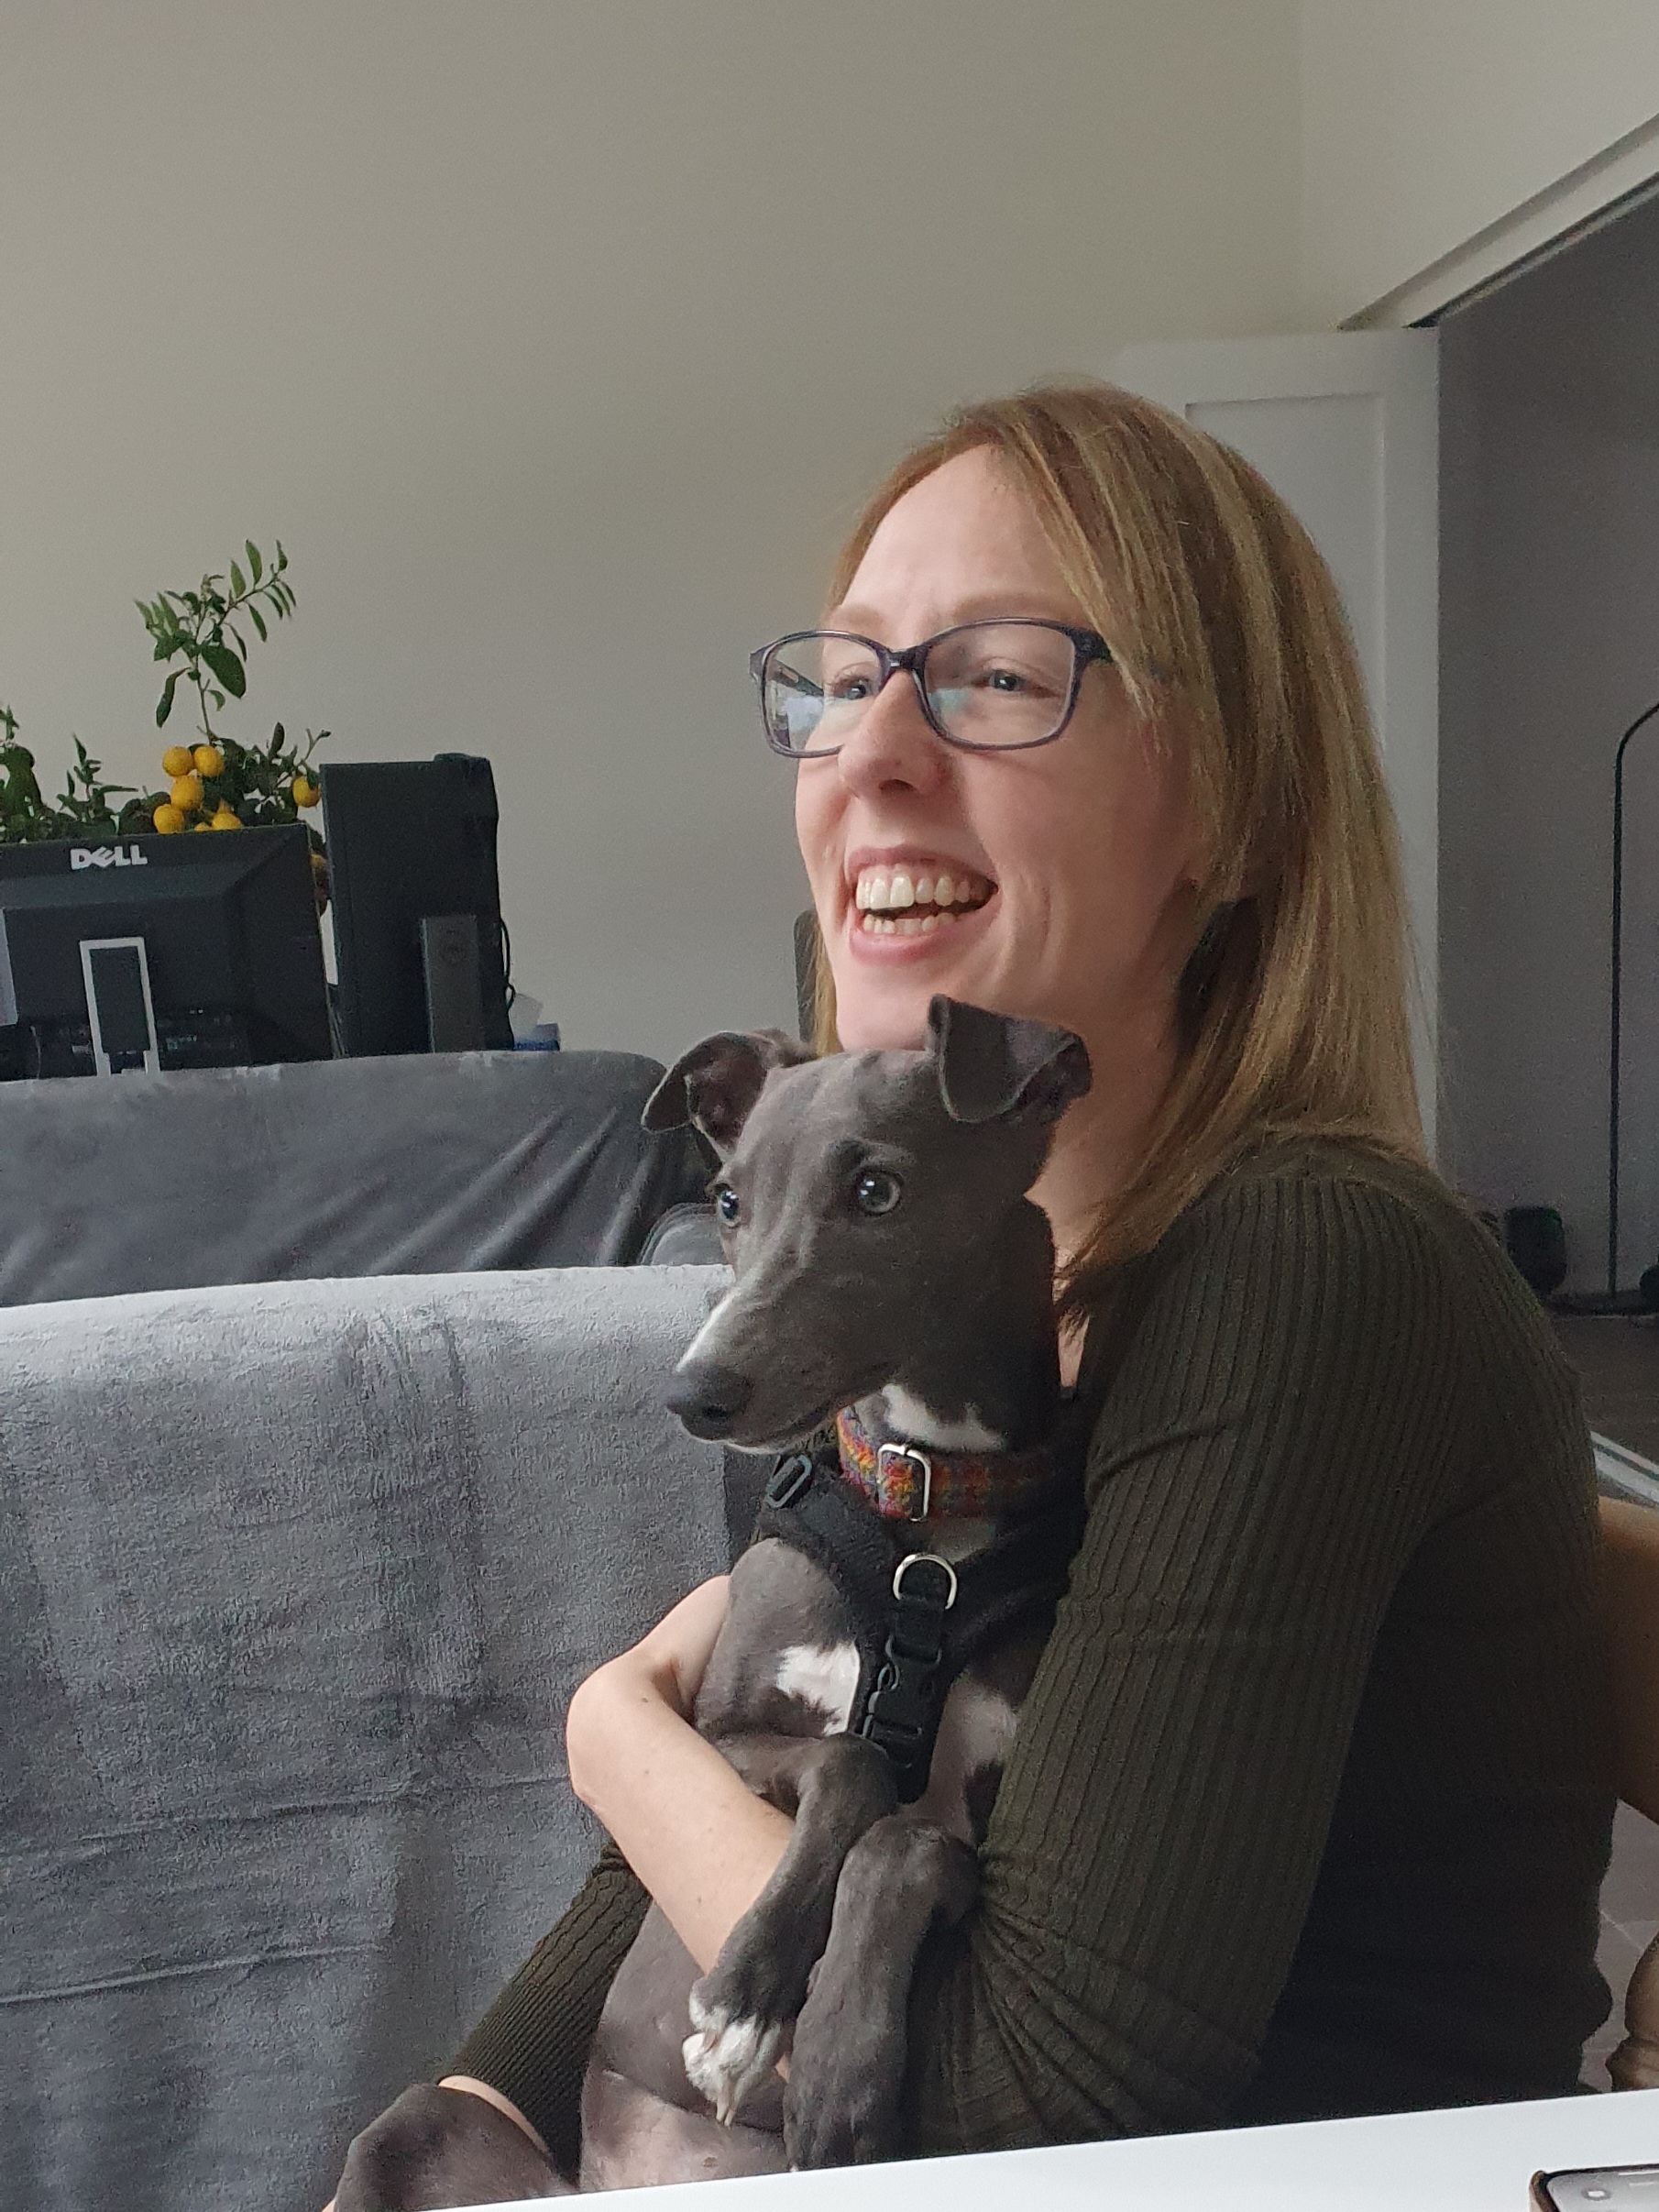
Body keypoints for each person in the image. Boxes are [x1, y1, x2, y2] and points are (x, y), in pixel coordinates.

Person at [340, 382, 1615, 2192]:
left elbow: (1019, 2111)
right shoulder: (946, 1289)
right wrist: (467, 2131)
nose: (866, 751)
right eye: (843, 678)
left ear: (1237, 813)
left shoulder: (1302, 1261)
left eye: (997, 676)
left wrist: (607, 1733)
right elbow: (744, 1795)